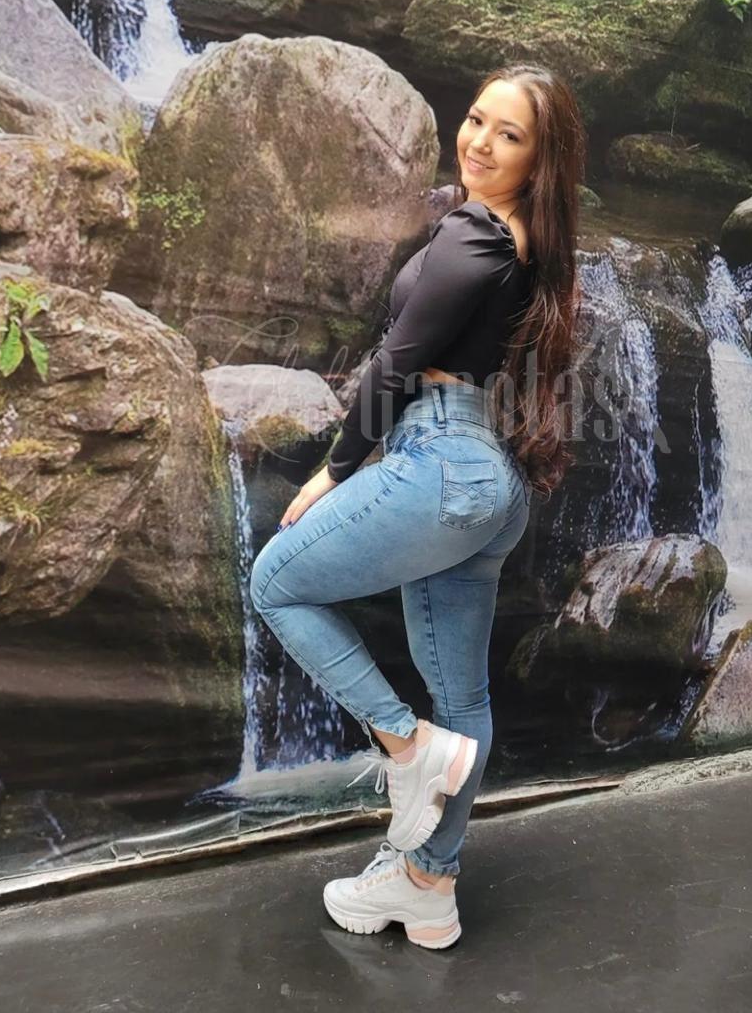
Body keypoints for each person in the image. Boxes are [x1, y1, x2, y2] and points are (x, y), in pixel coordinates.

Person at [249, 63, 586, 948]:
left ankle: (406, 747)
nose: (480, 142)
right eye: (476, 120)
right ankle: (428, 885)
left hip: (438, 458)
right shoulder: (529, 243)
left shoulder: (476, 232)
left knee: (275, 582)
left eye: (509, 134)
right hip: (483, 476)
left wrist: (335, 470)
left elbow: (397, 359)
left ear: (540, 158)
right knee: (462, 696)